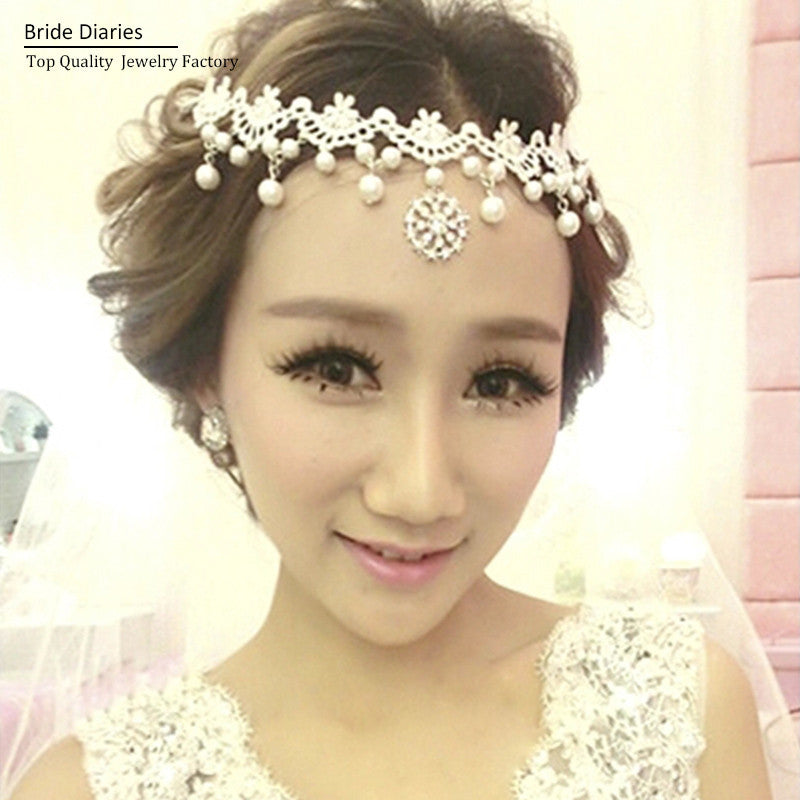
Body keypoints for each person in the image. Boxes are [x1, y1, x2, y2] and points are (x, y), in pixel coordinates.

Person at [6, 1, 775, 798]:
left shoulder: (681, 712)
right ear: (206, 363)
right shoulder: (86, 791)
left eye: (499, 383)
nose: (420, 492)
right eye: (336, 370)